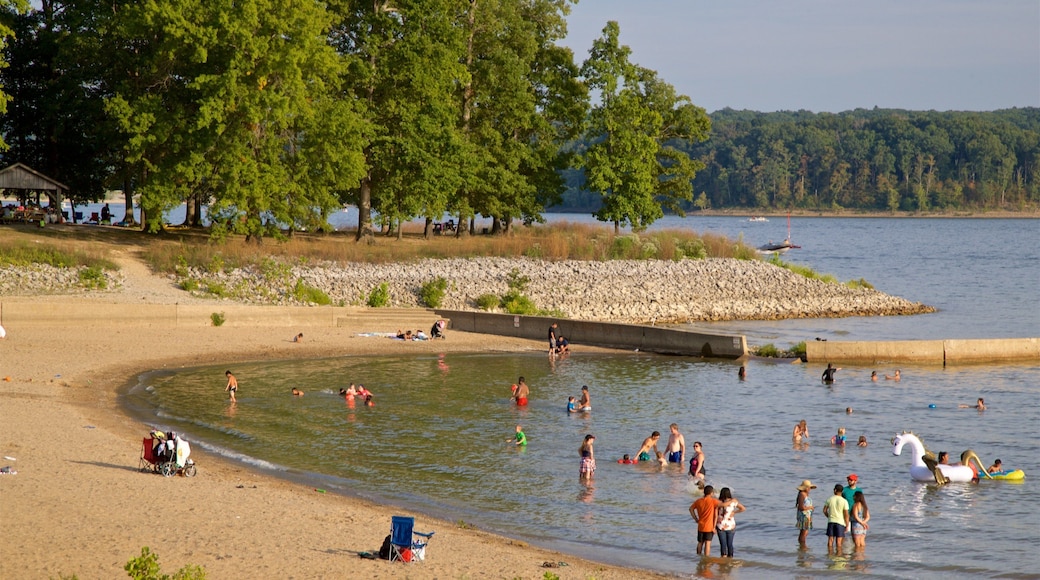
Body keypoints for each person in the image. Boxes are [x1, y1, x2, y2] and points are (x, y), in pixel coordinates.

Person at [715, 487, 746, 558]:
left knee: (723, 544)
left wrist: (734, 512)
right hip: (730, 525)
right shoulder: (733, 502)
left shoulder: (718, 501)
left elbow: (717, 511)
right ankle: (730, 558)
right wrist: (734, 511)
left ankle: (723, 559)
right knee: (730, 544)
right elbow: (743, 508)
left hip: (720, 525)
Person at [690, 485, 720, 556]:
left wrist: (695, 518)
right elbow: (723, 504)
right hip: (709, 527)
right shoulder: (713, 501)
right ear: (711, 493)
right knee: (707, 543)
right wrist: (732, 501)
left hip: (701, 525)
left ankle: (698, 556)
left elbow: (691, 509)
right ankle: (706, 558)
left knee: (700, 542)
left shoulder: (698, 501)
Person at [823, 483, 850, 553]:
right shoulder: (844, 501)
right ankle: (838, 555)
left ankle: (830, 554)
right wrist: (847, 524)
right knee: (839, 541)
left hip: (831, 521)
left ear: (835, 490)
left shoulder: (830, 499)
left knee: (830, 539)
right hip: (840, 522)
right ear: (842, 491)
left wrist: (828, 516)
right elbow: (846, 514)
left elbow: (824, 510)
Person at [795, 480, 816, 547]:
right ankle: (802, 545)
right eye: (809, 487)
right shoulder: (802, 494)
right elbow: (801, 507)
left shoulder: (804, 494)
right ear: (805, 488)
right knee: (804, 532)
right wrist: (810, 507)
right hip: (804, 515)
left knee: (804, 532)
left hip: (807, 515)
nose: (809, 489)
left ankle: (801, 545)